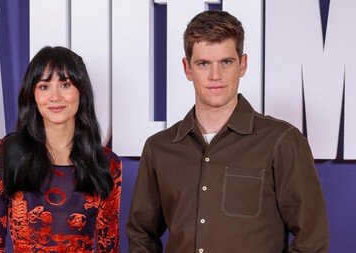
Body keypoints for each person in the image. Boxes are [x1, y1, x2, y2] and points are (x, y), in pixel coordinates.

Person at [127, 10, 328, 253]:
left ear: (242, 65)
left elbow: (312, 239)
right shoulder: (160, 147)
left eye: (226, 62)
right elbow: (141, 233)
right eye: (203, 64)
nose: (215, 76)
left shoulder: (281, 141)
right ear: (187, 69)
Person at [0, 46, 122, 252]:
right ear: (33, 94)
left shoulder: (107, 163)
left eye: (65, 84)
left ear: (81, 91)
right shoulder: (5, 153)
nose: (55, 97)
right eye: (44, 86)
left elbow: (109, 245)